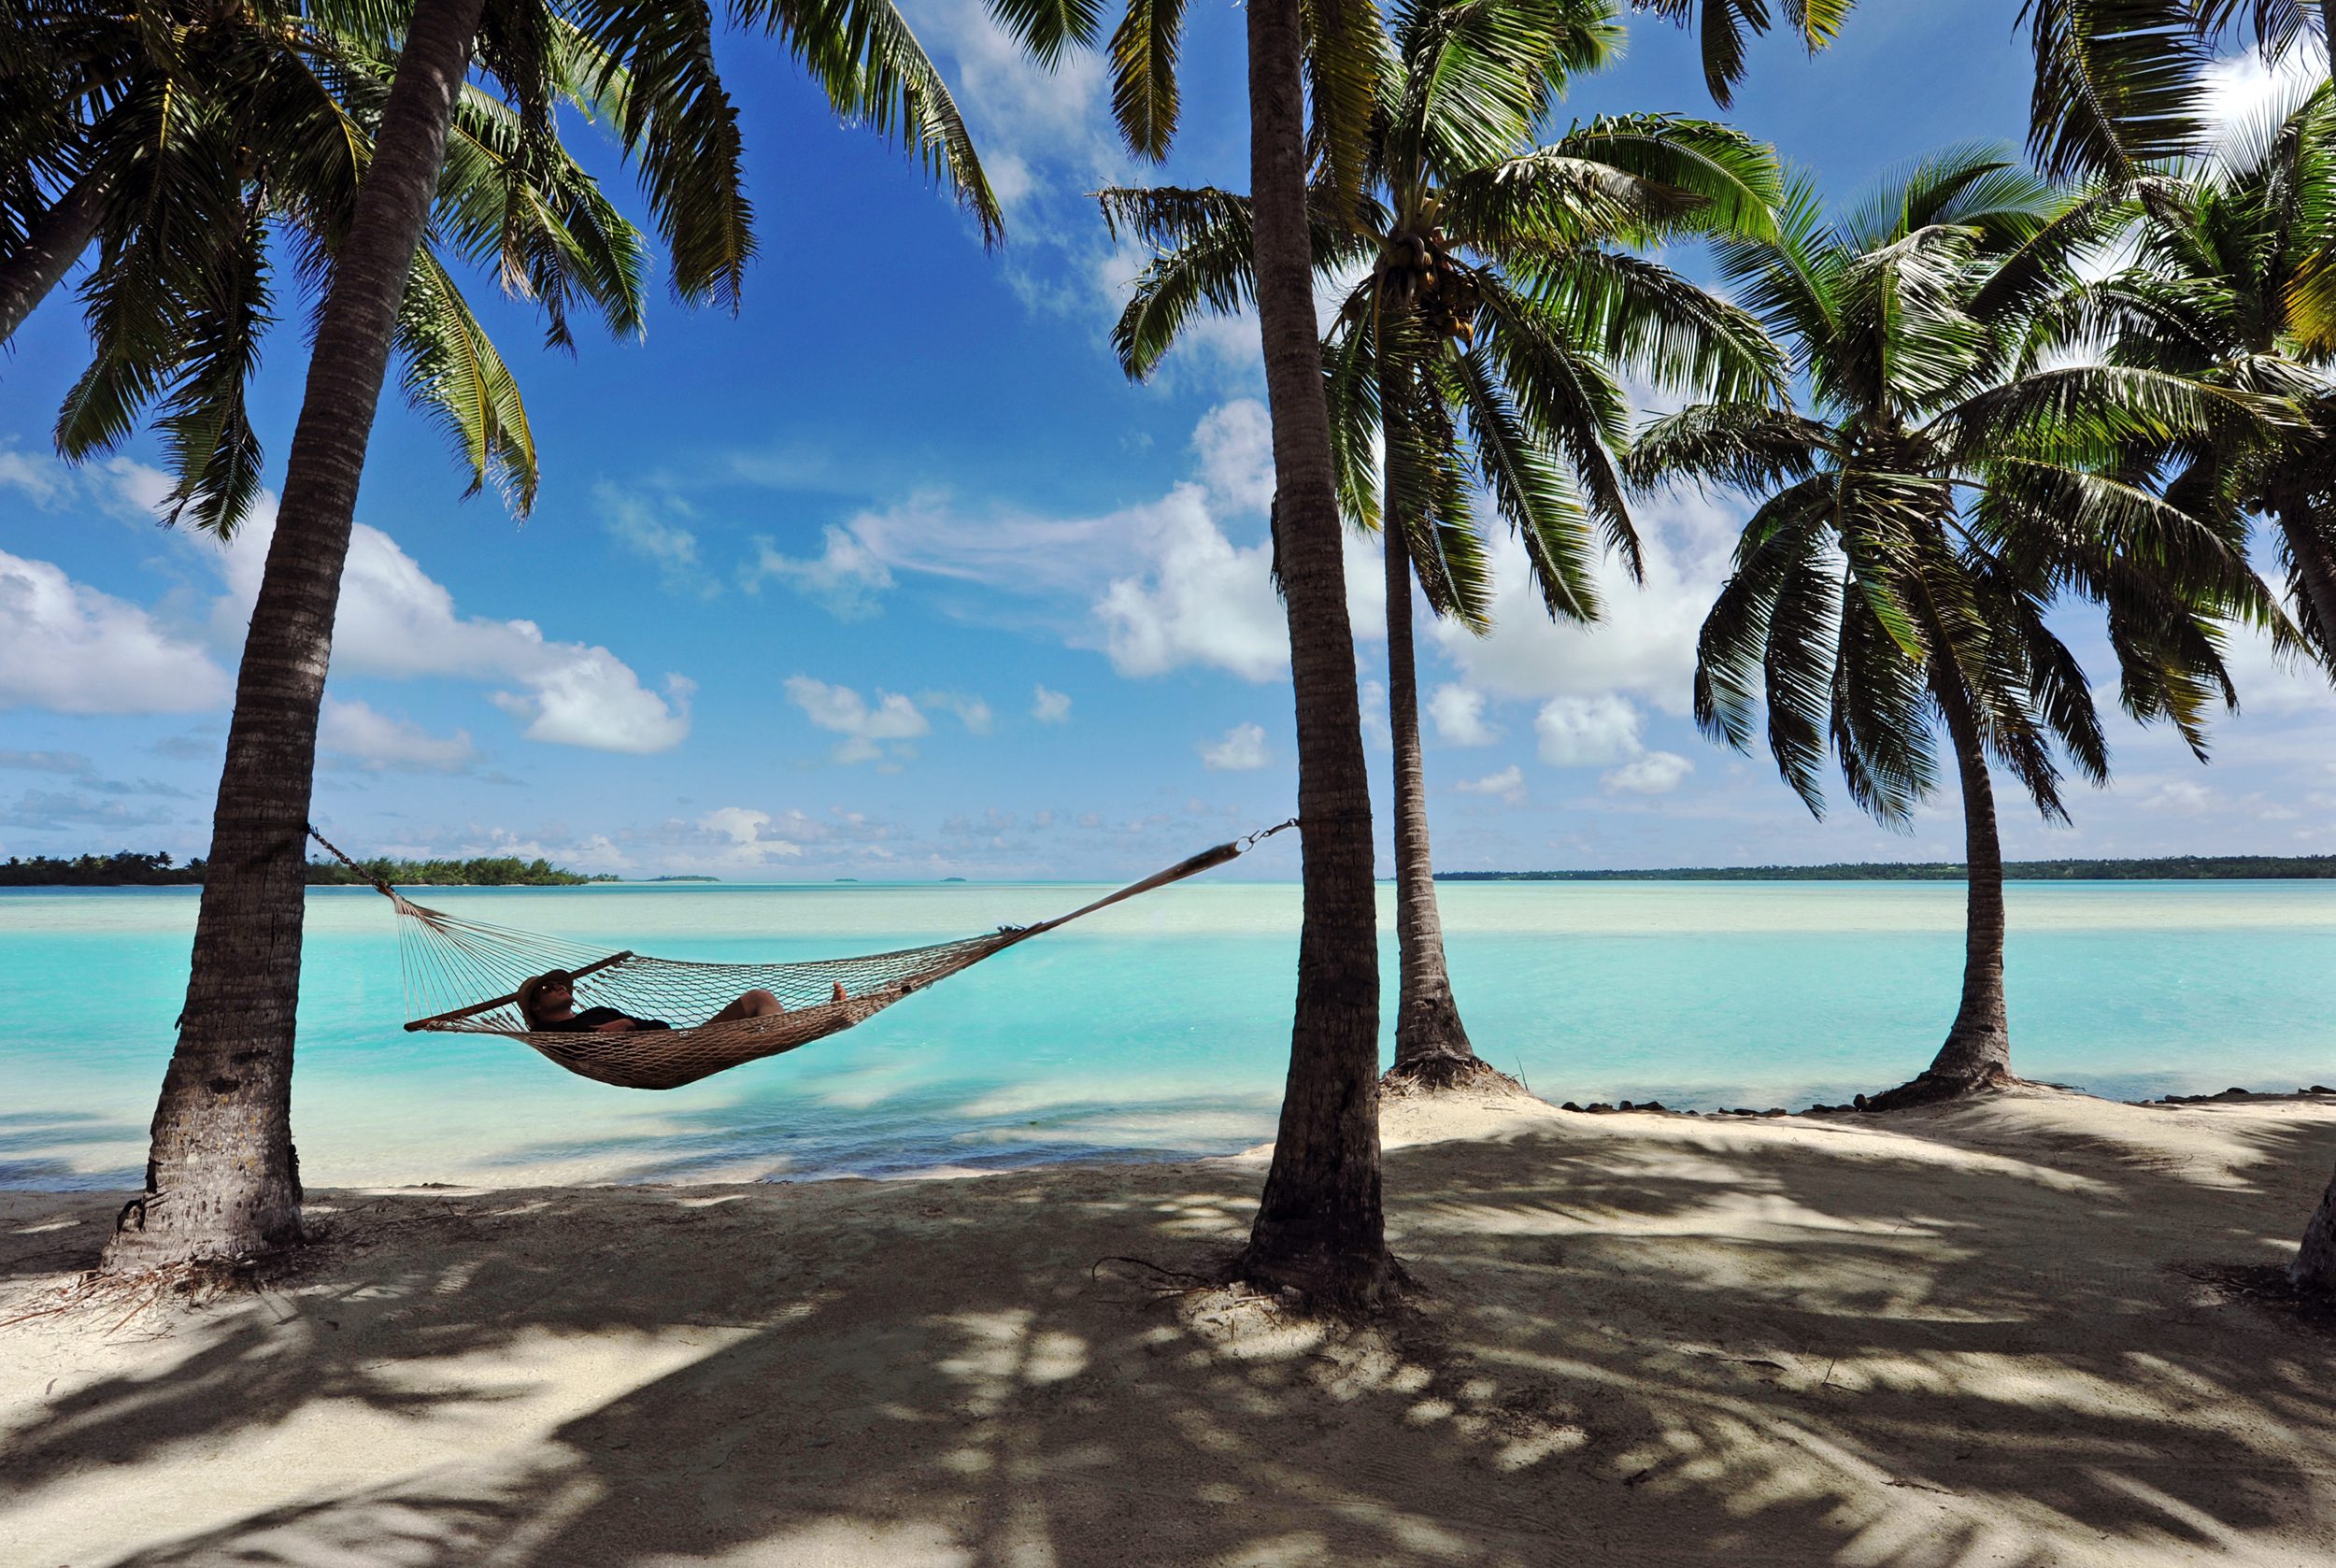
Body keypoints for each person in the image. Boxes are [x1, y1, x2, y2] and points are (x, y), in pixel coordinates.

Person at [515, 969, 845, 1033]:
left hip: (682, 1046)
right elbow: (601, 1039)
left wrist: (625, 1025)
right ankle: (829, 1019)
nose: (557, 987)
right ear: (536, 1009)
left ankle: (821, 1019)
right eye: (547, 990)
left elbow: (645, 1026)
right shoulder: (551, 1035)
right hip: (662, 1061)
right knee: (758, 1035)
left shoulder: (596, 1012)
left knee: (759, 998)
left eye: (559, 983)